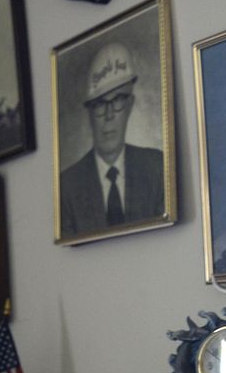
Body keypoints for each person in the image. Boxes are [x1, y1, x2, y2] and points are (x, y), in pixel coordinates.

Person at [59, 41, 164, 239]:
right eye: (100, 104)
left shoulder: (157, 168)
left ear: (129, 106)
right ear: (89, 113)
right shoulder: (67, 187)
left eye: (117, 101)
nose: (108, 115)